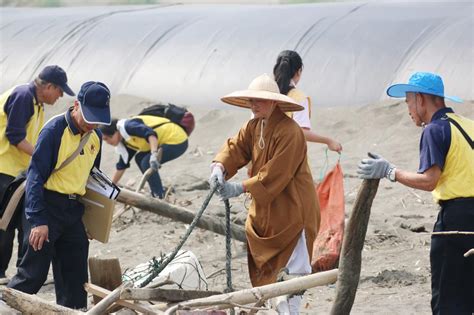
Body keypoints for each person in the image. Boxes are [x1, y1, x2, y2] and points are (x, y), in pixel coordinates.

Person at [357, 72, 473, 315]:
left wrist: (390, 171)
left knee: (447, 300)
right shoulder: (467, 124)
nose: (408, 108)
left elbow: (430, 181)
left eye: (408, 101)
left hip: (456, 221)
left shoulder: (434, 130)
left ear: (421, 99)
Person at [209, 74, 320, 313]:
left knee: (293, 275)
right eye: (251, 100)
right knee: (270, 279)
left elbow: (276, 172)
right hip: (267, 209)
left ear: (273, 102)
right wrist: (219, 167)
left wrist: (239, 187)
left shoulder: (291, 132)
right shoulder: (254, 126)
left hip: (293, 210)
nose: (253, 104)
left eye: (259, 100)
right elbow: (235, 147)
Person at [7, 81, 111, 309]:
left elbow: (91, 179)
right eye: (89, 116)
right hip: (46, 205)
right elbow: (35, 177)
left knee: (75, 278)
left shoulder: (95, 137)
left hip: (73, 211)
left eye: (98, 119)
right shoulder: (54, 131)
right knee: (33, 275)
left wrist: (91, 222)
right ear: (76, 106)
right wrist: (37, 221)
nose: (92, 124)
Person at [0, 65, 74, 284]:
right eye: (60, 91)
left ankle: (18, 274)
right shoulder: (23, 96)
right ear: (49, 86)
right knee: (5, 223)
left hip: (17, 171)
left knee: (21, 223)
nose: (60, 96)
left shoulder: (36, 103)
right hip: (4, 170)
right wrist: (43, 156)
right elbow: (14, 136)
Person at [99, 113, 188, 199]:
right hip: (164, 142)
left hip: (177, 140)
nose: (108, 142)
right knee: (139, 158)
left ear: (115, 132)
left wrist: (154, 154)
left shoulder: (128, 127)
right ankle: (157, 190)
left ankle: (158, 195)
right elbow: (121, 166)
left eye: (107, 138)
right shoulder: (126, 141)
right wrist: (110, 188)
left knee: (146, 161)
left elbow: (150, 134)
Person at [273, 50, 342, 153]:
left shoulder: (265, 92)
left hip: (261, 158)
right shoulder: (299, 98)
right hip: (288, 159)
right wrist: (328, 141)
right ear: (299, 71)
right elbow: (302, 132)